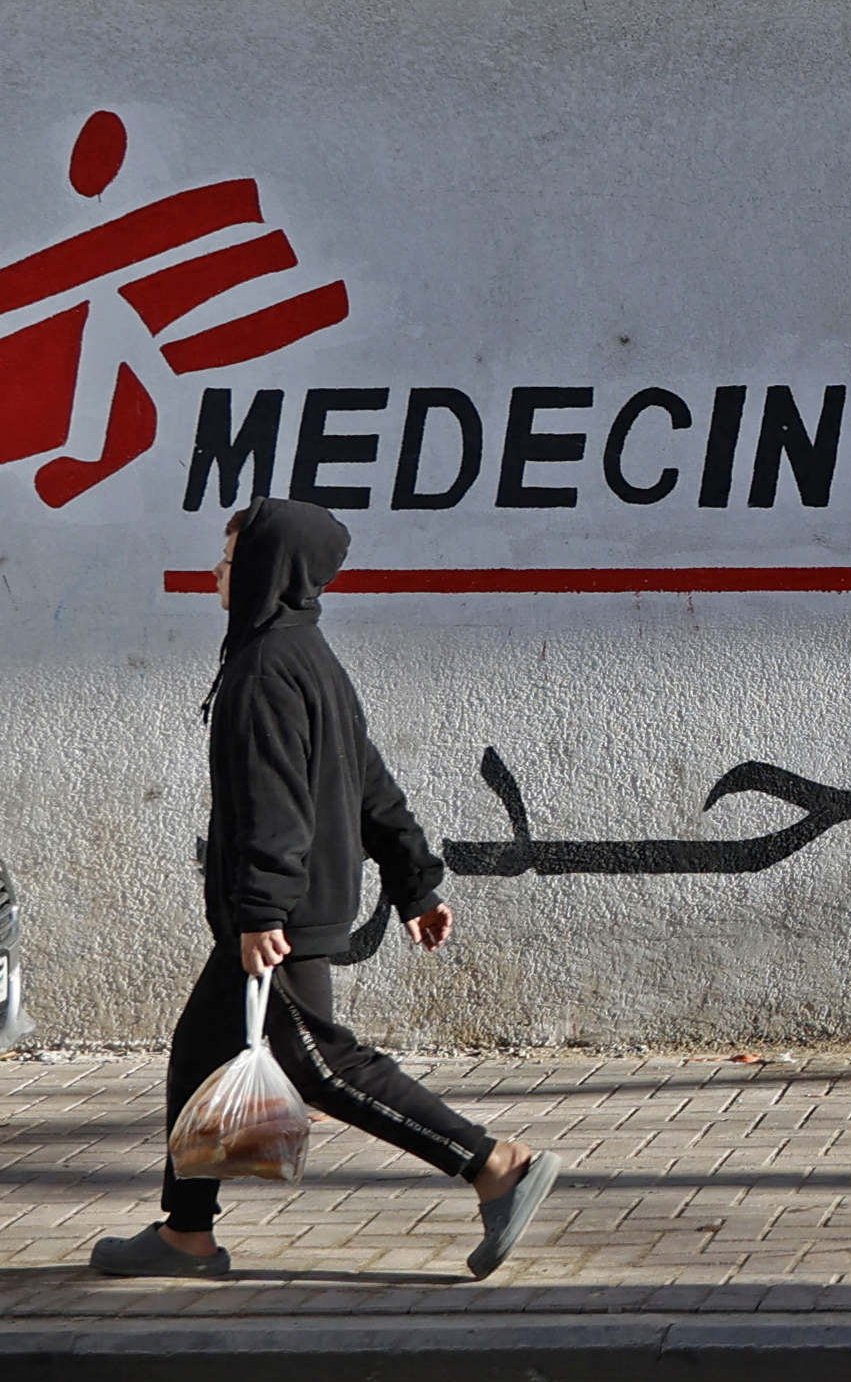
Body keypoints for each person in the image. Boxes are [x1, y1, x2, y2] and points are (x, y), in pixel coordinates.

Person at [90, 499, 562, 1279]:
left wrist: (261, 908)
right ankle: (185, 1234)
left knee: (321, 1067)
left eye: (231, 558)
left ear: (267, 568)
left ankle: (494, 1164)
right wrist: (414, 881)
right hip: (283, 908)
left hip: (284, 915)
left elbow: (274, 801)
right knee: (201, 1054)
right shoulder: (305, 655)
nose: (217, 571)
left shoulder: (266, 669)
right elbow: (369, 781)